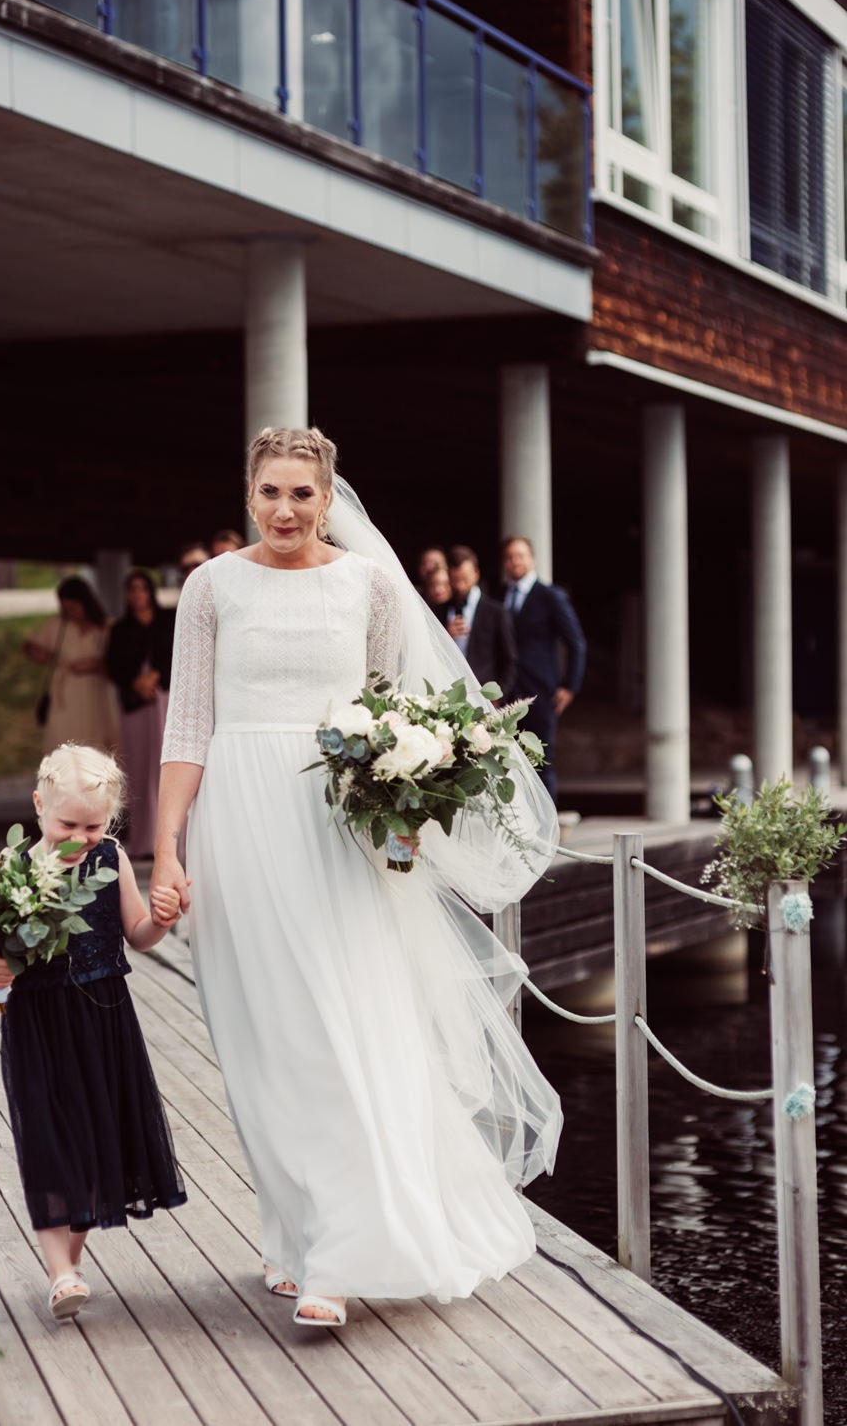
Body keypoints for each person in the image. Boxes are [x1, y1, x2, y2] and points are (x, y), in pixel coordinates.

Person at [150, 427, 562, 1330]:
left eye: (304, 492)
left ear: (329, 496)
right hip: (237, 826)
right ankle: (295, 1231)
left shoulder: (371, 585)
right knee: (262, 1036)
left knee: (339, 1024)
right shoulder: (210, 588)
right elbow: (188, 725)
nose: (287, 509)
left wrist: (405, 823)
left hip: (336, 828)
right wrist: (168, 847)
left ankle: (343, 1251)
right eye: (271, 492)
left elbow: (389, 718)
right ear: (247, 494)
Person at [0, 745, 186, 1321]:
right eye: (68, 823)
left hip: (104, 1019)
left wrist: (162, 919)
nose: (81, 835)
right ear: (39, 806)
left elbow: (137, 933)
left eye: (94, 825)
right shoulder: (13, 865)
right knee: (47, 1137)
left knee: (96, 1140)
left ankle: (68, 1267)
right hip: (39, 1023)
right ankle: (59, 1270)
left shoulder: (111, 859)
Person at [501, 535, 587, 802]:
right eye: (510, 557)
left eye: (521, 555)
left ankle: (546, 832)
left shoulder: (549, 595)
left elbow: (576, 642)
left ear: (532, 559)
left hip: (541, 692)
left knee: (541, 761)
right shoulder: (499, 595)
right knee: (507, 762)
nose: (516, 561)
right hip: (507, 693)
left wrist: (569, 686)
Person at [107, 570, 176, 858]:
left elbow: (175, 652)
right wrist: (136, 682)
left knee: (167, 763)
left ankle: (172, 840)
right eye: (131, 589)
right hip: (135, 702)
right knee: (138, 766)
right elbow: (112, 664)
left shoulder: (167, 621)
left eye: (142, 589)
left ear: (150, 592)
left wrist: (156, 675)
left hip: (164, 693)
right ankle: (144, 840)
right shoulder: (121, 628)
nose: (137, 595)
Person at [24, 576, 120, 755]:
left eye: (73, 608)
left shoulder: (106, 627)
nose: (70, 613)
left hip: (96, 694)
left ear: (85, 603)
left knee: (96, 742)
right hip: (66, 694)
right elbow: (30, 645)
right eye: (66, 608)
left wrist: (95, 665)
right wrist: (46, 655)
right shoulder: (58, 625)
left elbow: (119, 664)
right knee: (63, 741)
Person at [447, 545, 518, 702]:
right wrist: (445, 635)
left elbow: (510, 661)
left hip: (484, 698)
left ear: (476, 574)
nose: (459, 586)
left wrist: (498, 697)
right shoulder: (439, 610)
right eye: (454, 580)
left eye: (464, 579)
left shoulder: (497, 612)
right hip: (446, 694)